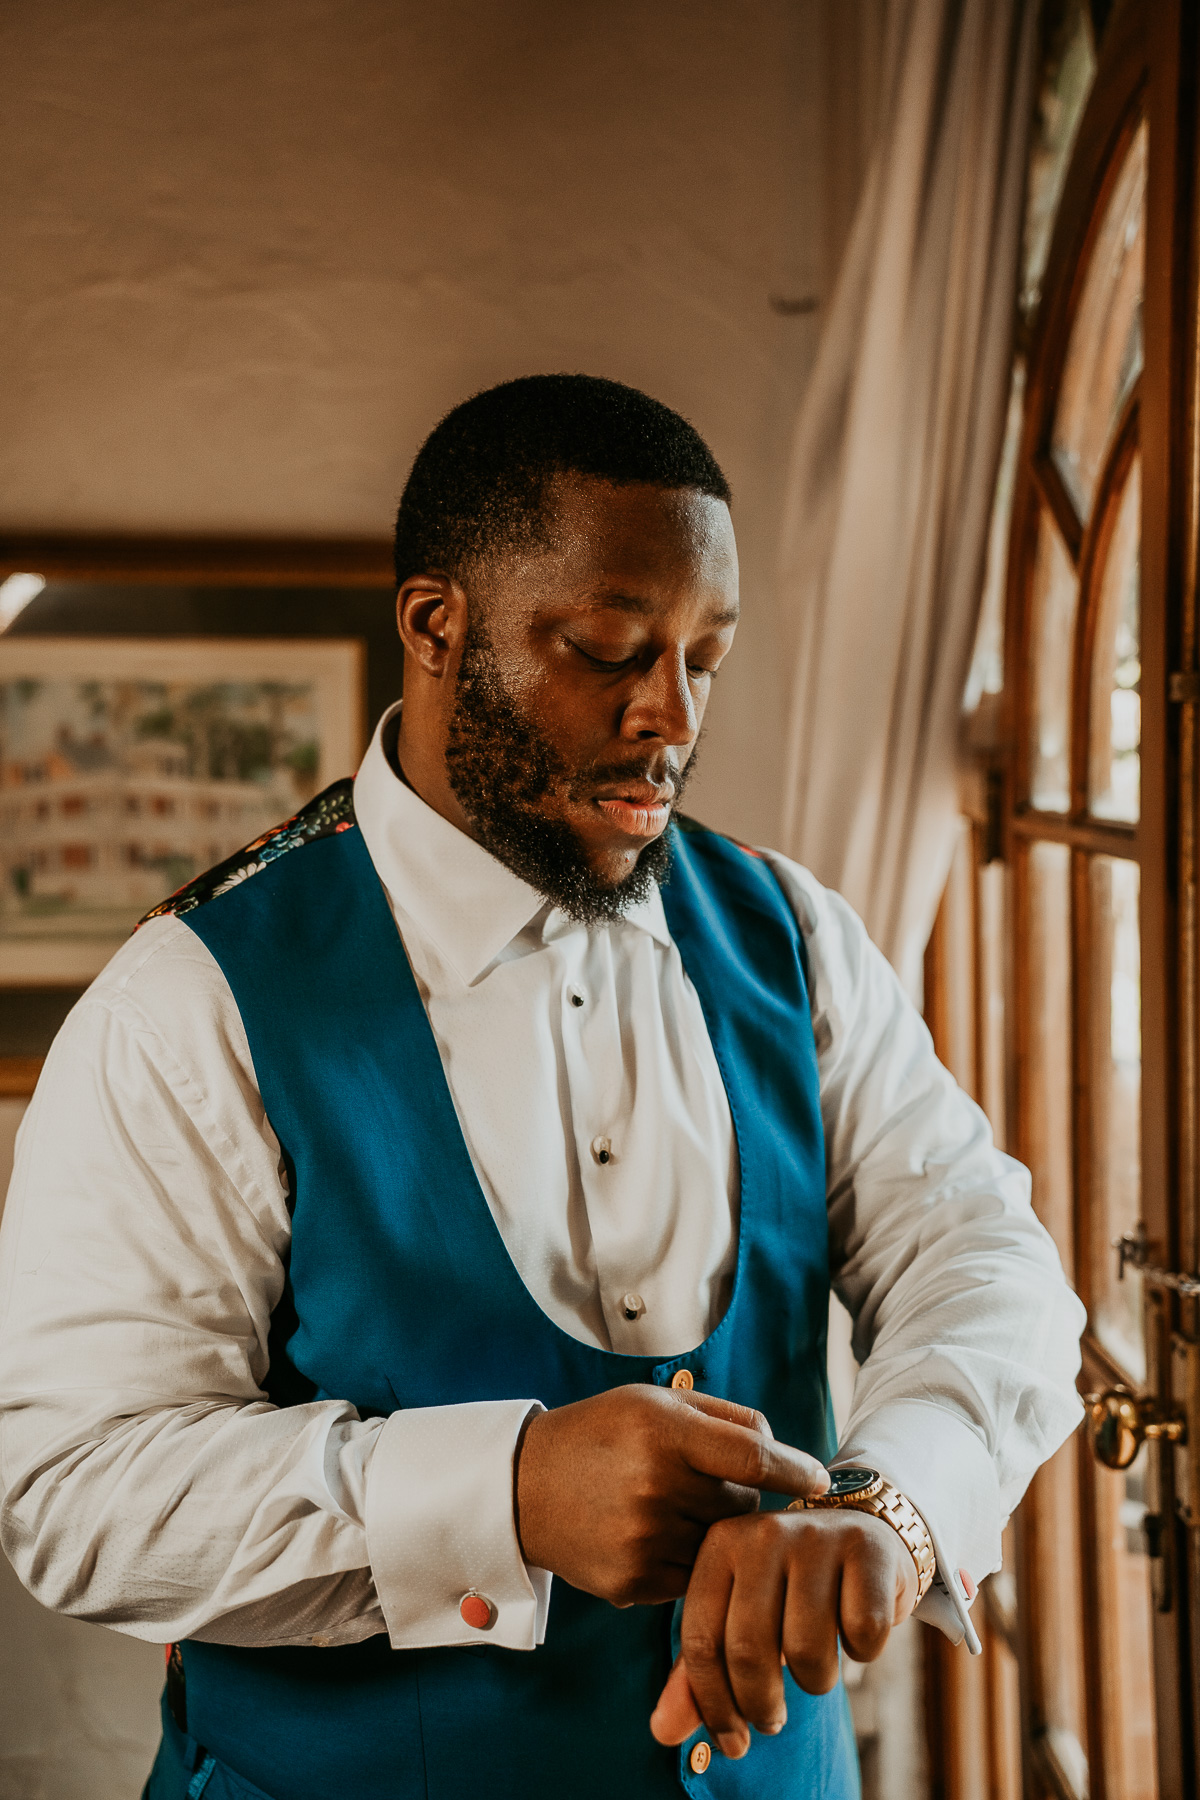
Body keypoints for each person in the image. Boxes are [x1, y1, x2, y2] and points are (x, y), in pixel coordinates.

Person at [0, 375, 1083, 1800]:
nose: (670, 719)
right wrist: (502, 1494)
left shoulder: (800, 941)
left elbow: (986, 1259)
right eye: (610, 650)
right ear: (438, 627)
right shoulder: (190, 1005)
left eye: (706, 656)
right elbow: (77, 1490)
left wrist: (894, 1507)